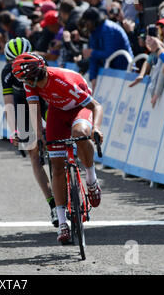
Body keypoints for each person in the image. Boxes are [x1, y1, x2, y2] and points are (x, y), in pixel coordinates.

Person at [12, 52, 104, 244]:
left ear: (37, 74)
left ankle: (91, 178)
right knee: (57, 167)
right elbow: (35, 109)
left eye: (28, 79)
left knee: (80, 133)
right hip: (57, 111)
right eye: (24, 80)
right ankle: (63, 223)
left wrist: (96, 128)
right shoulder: (30, 83)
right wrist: (39, 137)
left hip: (80, 107)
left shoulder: (62, 82)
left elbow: (96, 106)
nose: (26, 83)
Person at [2, 38, 58, 227]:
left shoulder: (41, 63)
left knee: (57, 128)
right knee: (33, 154)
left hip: (42, 99)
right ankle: (52, 204)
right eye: (14, 63)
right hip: (22, 106)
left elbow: (51, 93)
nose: (20, 67)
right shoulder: (7, 73)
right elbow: (9, 104)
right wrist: (14, 130)